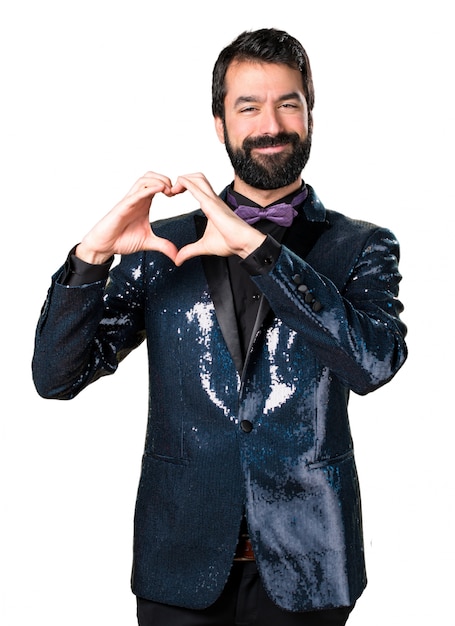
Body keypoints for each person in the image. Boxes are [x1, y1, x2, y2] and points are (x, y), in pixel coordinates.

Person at [32, 28, 407, 626]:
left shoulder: (361, 244)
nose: (271, 123)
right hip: (177, 561)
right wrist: (92, 254)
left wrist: (262, 252)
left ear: (311, 112)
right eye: (248, 106)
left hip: (311, 563)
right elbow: (55, 376)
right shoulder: (162, 244)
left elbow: (372, 365)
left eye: (289, 102)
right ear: (219, 122)